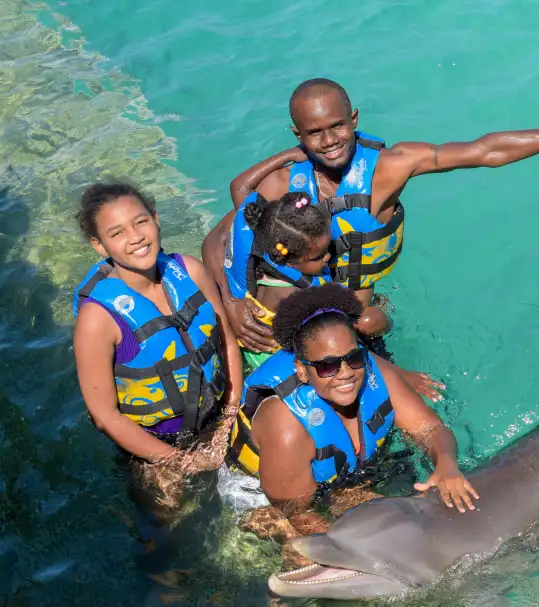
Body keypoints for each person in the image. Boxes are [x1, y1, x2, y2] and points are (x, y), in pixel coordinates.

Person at [202, 77, 539, 357]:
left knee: (374, 323)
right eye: (314, 134)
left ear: (354, 118)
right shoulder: (284, 186)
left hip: (353, 317)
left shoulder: (390, 167)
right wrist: (231, 301)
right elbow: (219, 240)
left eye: (337, 126)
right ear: (298, 136)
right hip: (305, 322)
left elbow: (484, 151)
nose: (330, 140)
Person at [227, 284, 477, 561]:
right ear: (302, 370)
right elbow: (297, 512)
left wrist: (446, 464)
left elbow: (431, 430)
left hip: (346, 477)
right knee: (303, 556)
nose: (346, 373)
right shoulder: (287, 425)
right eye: (327, 366)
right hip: (268, 497)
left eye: (353, 358)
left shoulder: (370, 370)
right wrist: (374, 555)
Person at [72, 182, 244, 516]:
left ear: (156, 218)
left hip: (218, 417)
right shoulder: (98, 319)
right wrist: (183, 461)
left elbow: (225, 341)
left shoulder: (191, 270)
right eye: (117, 232)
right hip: (156, 446)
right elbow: (104, 416)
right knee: (167, 523)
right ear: (99, 244)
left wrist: (230, 415)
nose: (135, 237)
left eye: (141, 222)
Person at [227, 190, 443, 399]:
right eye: (318, 257)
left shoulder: (270, 252)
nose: (327, 257)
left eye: (327, 249)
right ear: (291, 261)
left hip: (268, 344)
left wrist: (289, 156)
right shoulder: (298, 297)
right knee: (373, 319)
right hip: (283, 359)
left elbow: (240, 187)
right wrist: (401, 375)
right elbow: (346, 343)